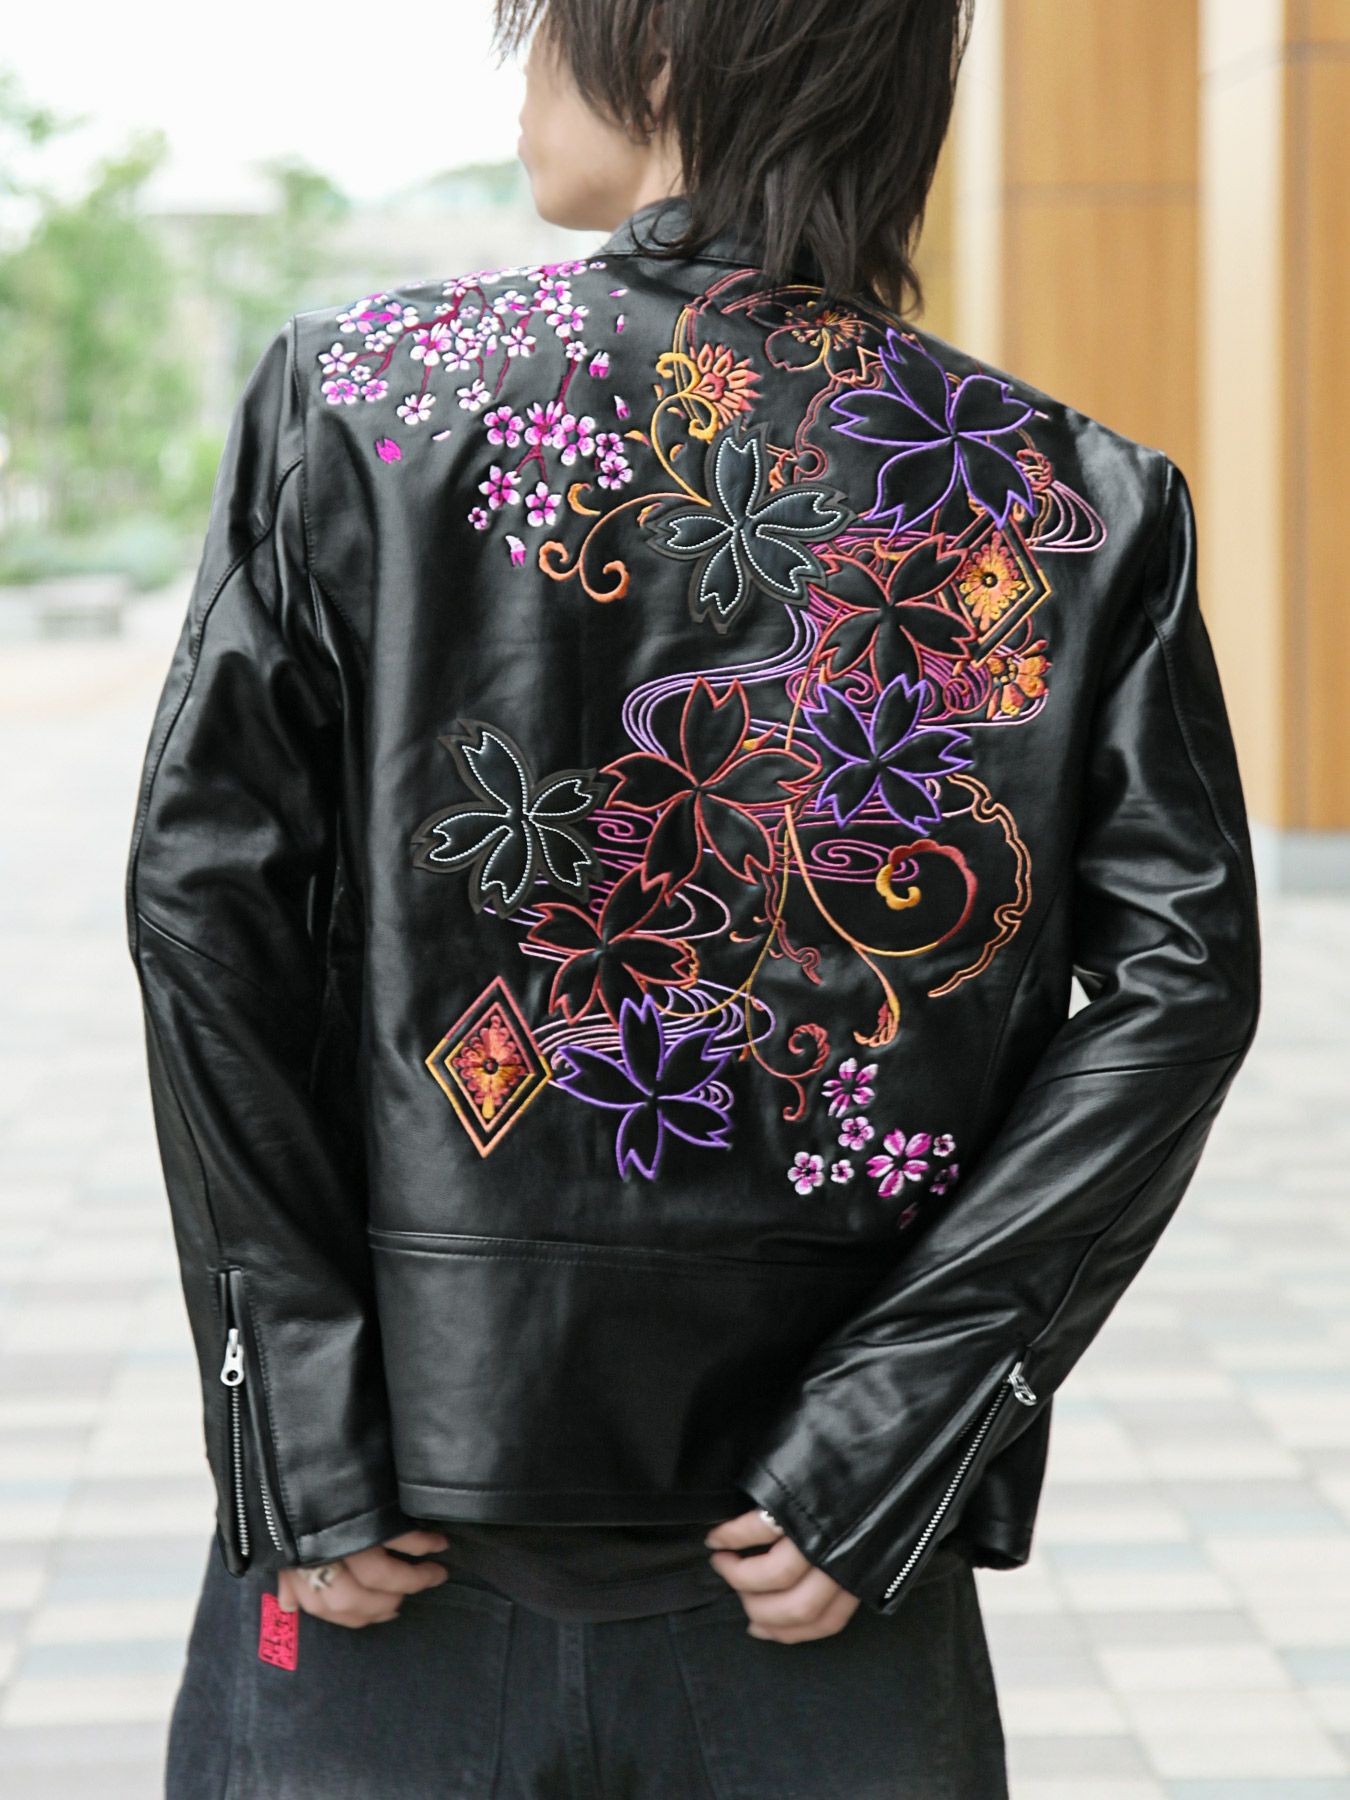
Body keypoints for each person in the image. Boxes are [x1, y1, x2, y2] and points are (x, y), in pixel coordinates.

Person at [127, 0, 1262, 1794]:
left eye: (538, 30)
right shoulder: (1059, 494)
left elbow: (206, 916)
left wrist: (302, 1429)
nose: (516, 87)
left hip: (387, 1545)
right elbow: (1178, 984)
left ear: (663, 52)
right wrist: (893, 1430)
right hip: (810, 1571)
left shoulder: (356, 405)